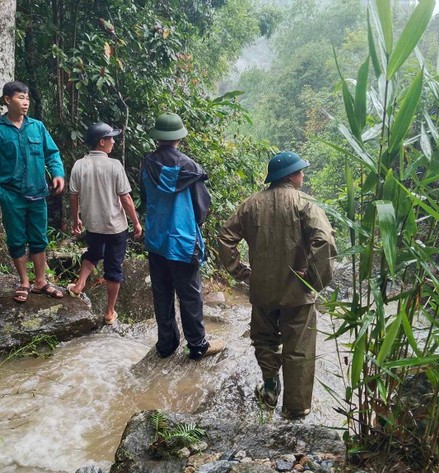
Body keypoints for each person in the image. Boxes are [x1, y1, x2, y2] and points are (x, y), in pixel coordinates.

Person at [218, 151, 336, 419]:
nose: (303, 175)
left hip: (262, 290)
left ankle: (270, 390)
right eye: (301, 171)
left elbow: (226, 238)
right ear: (292, 176)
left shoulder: (250, 204)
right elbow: (325, 240)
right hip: (298, 292)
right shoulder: (305, 203)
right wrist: (314, 280)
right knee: (299, 349)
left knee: (265, 340)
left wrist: (241, 272)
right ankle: (296, 409)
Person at [140, 112, 224, 360]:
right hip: (184, 241)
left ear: (158, 137)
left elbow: (145, 199)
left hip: (157, 239)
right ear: (179, 137)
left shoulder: (147, 164)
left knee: (162, 292)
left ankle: (166, 345)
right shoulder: (191, 168)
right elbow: (201, 208)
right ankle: (197, 345)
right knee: (190, 294)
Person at [0, 81, 66, 302]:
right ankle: (24, 282)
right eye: (20, 98)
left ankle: (41, 281)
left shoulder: (37, 127)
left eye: (27, 98)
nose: (25, 102)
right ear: (7, 100)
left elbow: (52, 153)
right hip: (12, 196)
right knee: (17, 239)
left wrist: (57, 173)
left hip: (38, 194)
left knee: (39, 238)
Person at [66, 122, 143, 324]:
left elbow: (73, 197)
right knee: (113, 268)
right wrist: (136, 222)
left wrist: (76, 219)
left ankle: (79, 284)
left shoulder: (79, 165)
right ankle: (109, 312)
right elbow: (125, 198)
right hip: (116, 227)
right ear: (101, 142)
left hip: (93, 225)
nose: (113, 142)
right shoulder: (114, 165)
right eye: (110, 138)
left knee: (92, 254)